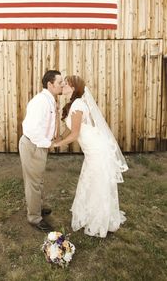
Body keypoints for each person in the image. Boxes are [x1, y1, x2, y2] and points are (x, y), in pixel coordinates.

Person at [51, 75, 128, 238]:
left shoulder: (78, 105)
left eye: (66, 83)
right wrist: (56, 138)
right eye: (63, 83)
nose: (63, 85)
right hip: (92, 151)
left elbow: (74, 134)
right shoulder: (72, 104)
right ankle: (91, 213)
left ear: (73, 88)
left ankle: (100, 220)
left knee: (97, 182)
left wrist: (57, 145)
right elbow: (68, 130)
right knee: (91, 180)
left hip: (97, 150)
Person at [19, 70, 64, 232]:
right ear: (50, 84)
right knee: (33, 183)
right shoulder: (40, 102)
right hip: (33, 145)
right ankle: (34, 218)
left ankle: (36, 207)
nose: (63, 85)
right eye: (60, 82)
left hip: (39, 145)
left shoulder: (50, 100)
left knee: (38, 180)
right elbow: (31, 128)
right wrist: (49, 144)